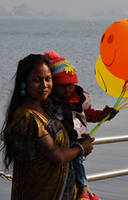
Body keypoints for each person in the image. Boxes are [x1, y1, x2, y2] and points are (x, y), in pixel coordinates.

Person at [0, 53, 95, 200]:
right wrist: (81, 149)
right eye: (37, 80)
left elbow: (64, 146)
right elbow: (57, 156)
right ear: (24, 83)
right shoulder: (27, 118)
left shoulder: (48, 109)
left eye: (48, 79)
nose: (44, 85)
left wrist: (78, 145)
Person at [44, 50, 119, 200]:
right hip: (61, 140)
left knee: (77, 162)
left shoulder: (79, 98)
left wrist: (105, 115)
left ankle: (83, 188)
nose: (67, 89)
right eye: (63, 86)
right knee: (73, 163)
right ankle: (82, 188)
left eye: (71, 85)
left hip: (77, 138)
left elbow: (88, 115)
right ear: (53, 85)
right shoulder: (49, 101)